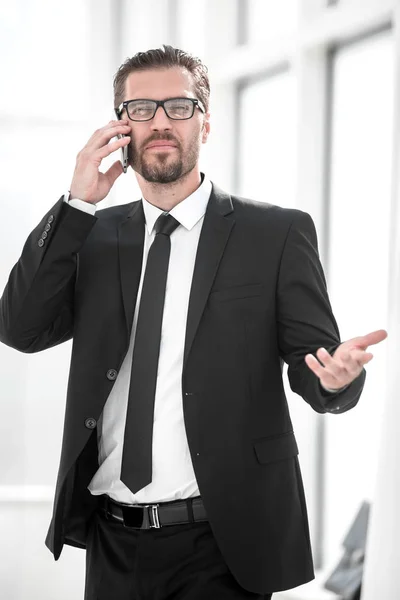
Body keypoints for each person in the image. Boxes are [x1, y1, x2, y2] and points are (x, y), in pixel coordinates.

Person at [0, 44, 387, 600]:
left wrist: (335, 379)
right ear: (120, 129)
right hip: (113, 540)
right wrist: (76, 203)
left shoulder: (274, 235)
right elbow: (21, 328)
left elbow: (316, 365)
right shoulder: (90, 236)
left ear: (205, 124)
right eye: (141, 109)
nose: (160, 122)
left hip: (223, 545)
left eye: (179, 107)